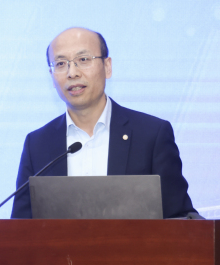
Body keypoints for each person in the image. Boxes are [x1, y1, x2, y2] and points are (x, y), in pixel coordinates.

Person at [10, 27, 198, 219]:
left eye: (83, 59)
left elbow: (181, 219)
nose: (72, 73)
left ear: (107, 67)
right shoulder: (37, 144)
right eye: (60, 63)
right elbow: (20, 227)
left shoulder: (151, 135)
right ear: (51, 75)